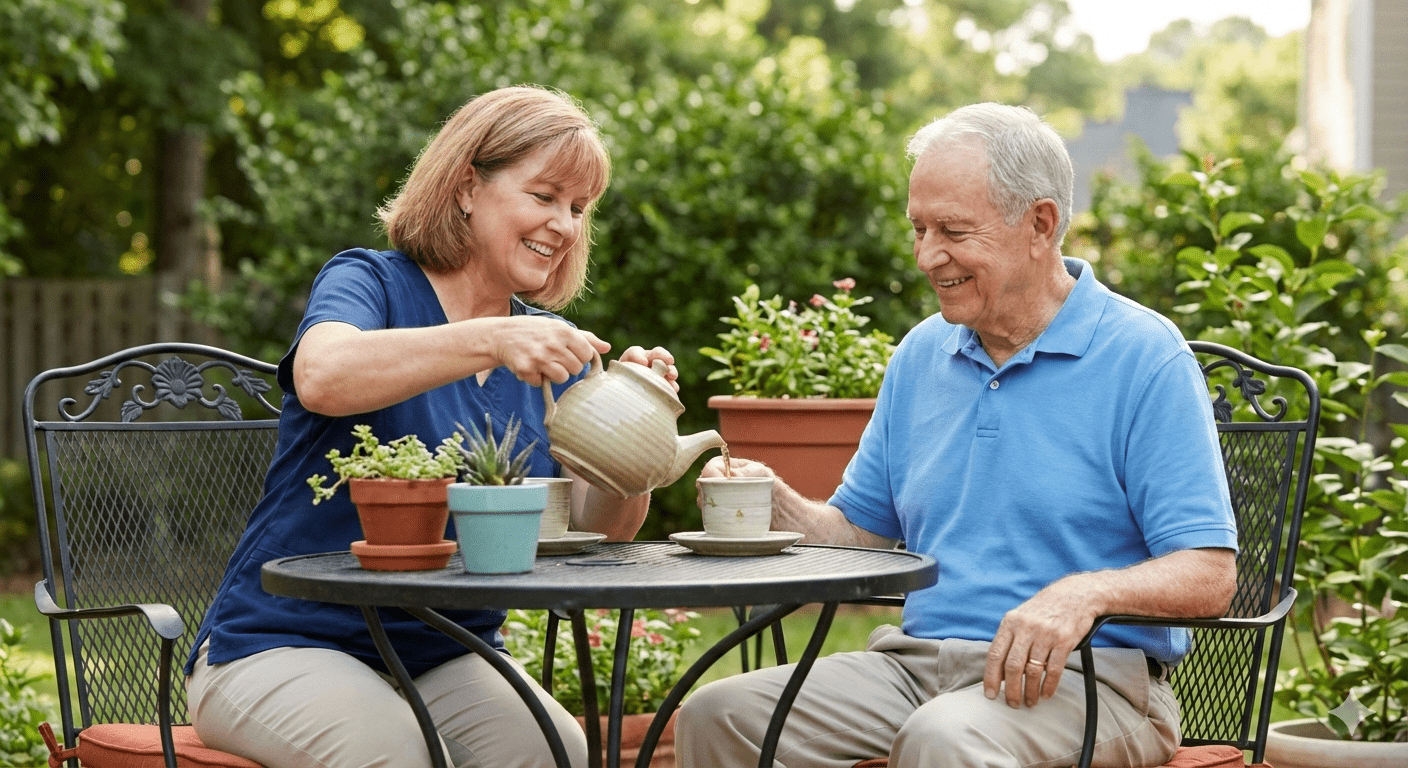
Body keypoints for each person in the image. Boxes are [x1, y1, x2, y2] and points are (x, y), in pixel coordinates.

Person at [676, 102, 1238, 768]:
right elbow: (862, 535)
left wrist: (1083, 594)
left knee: (945, 739)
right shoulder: (922, 355)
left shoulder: (1143, 356)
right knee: (720, 717)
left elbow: (1211, 573)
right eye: (918, 228)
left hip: (1087, 683)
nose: (925, 256)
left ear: (1040, 224)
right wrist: (781, 505)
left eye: (952, 230)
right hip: (914, 668)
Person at [185, 85, 674, 768]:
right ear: (468, 186)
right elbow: (323, 378)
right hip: (279, 643)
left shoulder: (548, 344)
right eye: (543, 196)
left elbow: (603, 528)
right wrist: (491, 338)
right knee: (399, 753)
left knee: (556, 753)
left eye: (578, 208)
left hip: (445, 654)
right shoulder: (371, 284)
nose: (563, 224)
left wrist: (638, 427)